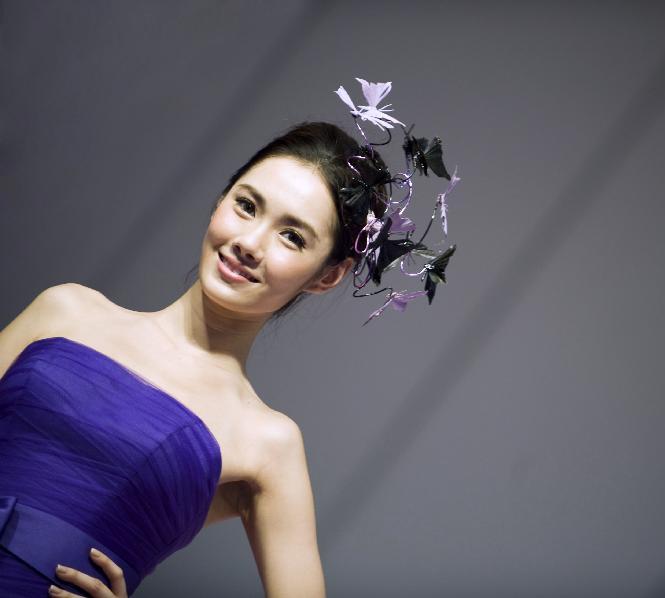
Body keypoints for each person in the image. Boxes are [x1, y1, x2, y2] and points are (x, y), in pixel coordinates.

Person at [0, 81, 460, 597]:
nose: (249, 243)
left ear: (327, 275)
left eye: (292, 236)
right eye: (247, 205)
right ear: (221, 198)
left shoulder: (267, 445)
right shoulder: (64, 310)